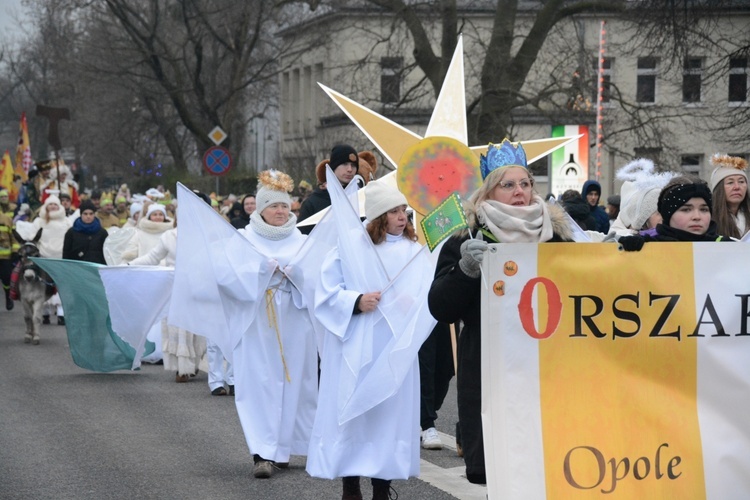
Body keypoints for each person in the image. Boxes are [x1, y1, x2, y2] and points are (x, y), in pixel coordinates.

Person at [428, 139, 574, 485]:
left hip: (547, 364)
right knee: (499, 469)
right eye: (508, 185)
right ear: (489, 192)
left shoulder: (557, 236)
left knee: (547, 465)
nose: (519, 191)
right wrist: (464, 269)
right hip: (489, 366)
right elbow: (440, 308)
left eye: (525, 183)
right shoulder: (469, 236)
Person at [309, 179, 435, 500]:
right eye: (393, 211)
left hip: (394, 349)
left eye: (403, 210)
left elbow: (426, 292)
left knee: (387, 416)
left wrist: (414, 303)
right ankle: (350, 483)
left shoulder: (414, 251)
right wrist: (355, 301)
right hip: (356, 343)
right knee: (354, 415)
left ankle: (381, 485)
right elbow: (324, 291)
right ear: (378, 216)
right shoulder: (351, 246)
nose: (401, 216)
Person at [234, 170, 317, 479]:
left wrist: (296, 274)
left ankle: (287, 447)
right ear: (261, 210)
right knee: (260, 382)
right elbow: (229, 278)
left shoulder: (304, 241)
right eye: (274, 207)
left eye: (285, 206)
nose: (281, 212)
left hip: (295, 319)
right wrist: (260, 273)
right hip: (258, 321)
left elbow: (320, 278)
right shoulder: (244, 239)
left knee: (297, 380)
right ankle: (262, 452)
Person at [130, 205, 206, 382]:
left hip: (199, 286)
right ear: (177, 218)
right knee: (178, 327)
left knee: (197, 327)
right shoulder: (169, 236)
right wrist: (130, 265)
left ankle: (193, 364)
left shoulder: (204, 234)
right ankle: (181, 368)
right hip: (175, 288)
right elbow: (152, 258)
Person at [619, 175, 732, 249]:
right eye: (686, 209)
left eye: (704, 209)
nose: (697, 217)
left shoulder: (728, 246)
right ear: (668, 215)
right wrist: (628, 255)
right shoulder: (649, 245)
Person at [297, 145, 378, 232]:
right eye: (344, 164)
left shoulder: (362, 199)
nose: (350, 169)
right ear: (334, 167)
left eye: (353, 165)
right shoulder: (312, 202)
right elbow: (302, 238)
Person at [31, 195, 72, 325]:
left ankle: (61, 313)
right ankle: (45, 312)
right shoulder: (39, 221)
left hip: (61, 258)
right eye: (50, 204)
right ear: (46, 206)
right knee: (43, 286)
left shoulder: (66, 221)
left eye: (55, 204)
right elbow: (33, 238)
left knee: (61, 286)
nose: (53, 207)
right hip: (44, 257)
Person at [418, 321, 454, 450]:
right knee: (425, 366)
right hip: (422, 311)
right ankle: (427, 423)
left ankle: (427, 412)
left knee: (447, 365)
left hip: (446, 312)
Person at [709, 154, 750, 239]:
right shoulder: (709, 219)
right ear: (719, 189)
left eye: (741, 182)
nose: (737, 187)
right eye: (730, 183)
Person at [62, 199, 109, 264]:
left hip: (96, 268)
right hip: (76, 267)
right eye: (85, 214)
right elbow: (66, 253)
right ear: (81, 214)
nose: (88, 216)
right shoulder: (71, 232)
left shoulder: (102, 233)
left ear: (94, 214)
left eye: (91, 214)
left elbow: (106, 253)